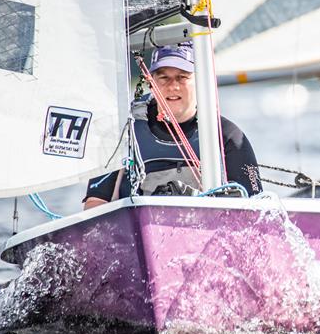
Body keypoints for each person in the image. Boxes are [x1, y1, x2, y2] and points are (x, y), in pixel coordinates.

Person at [83, 41, 260, 209]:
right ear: (151, 83)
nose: (173, 86)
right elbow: (94, 204)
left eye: (182, 77)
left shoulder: (228, 137)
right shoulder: (122, 134)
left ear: (200, 83)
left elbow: (254, 209)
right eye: (164, 78)